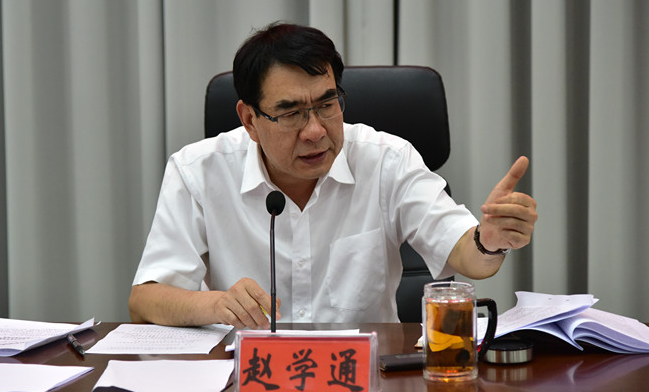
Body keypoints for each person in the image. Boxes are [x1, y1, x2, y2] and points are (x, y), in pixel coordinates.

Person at [129, 22, 537, 328]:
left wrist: (490, 241)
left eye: (327, 104)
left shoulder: (387, 160)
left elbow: (467, 254)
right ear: (249, 119)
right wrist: (216, 305)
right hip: (248, 383)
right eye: (291, 113)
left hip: (365, 380)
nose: (315, 131)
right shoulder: (198, 170)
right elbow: (145, 300)